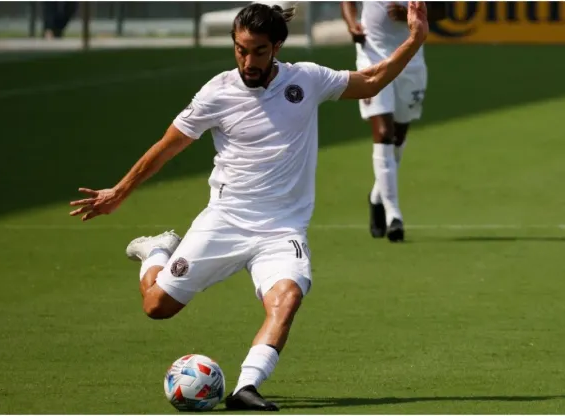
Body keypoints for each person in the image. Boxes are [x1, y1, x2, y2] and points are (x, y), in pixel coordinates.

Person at [69, 2, 429, 411]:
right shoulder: (216, 92)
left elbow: (371, 79)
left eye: (258, 50)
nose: (248, 60)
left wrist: (416, 37)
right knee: (156, 307)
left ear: (276, 47)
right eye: (241, 49)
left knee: (287, 297)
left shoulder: (306, 80)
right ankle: (156, 250)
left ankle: (246, 387)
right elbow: (166, 148)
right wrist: (120, 191)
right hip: (225, 221)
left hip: (282, 228)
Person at [341, 1, 448, 242]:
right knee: (384, 132)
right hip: (372, 58)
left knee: (398, 138)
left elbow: (443, 10)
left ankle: (378, 196)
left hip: (411, 62)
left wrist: (412, 14)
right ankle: (394, 215)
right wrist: (352, 24)